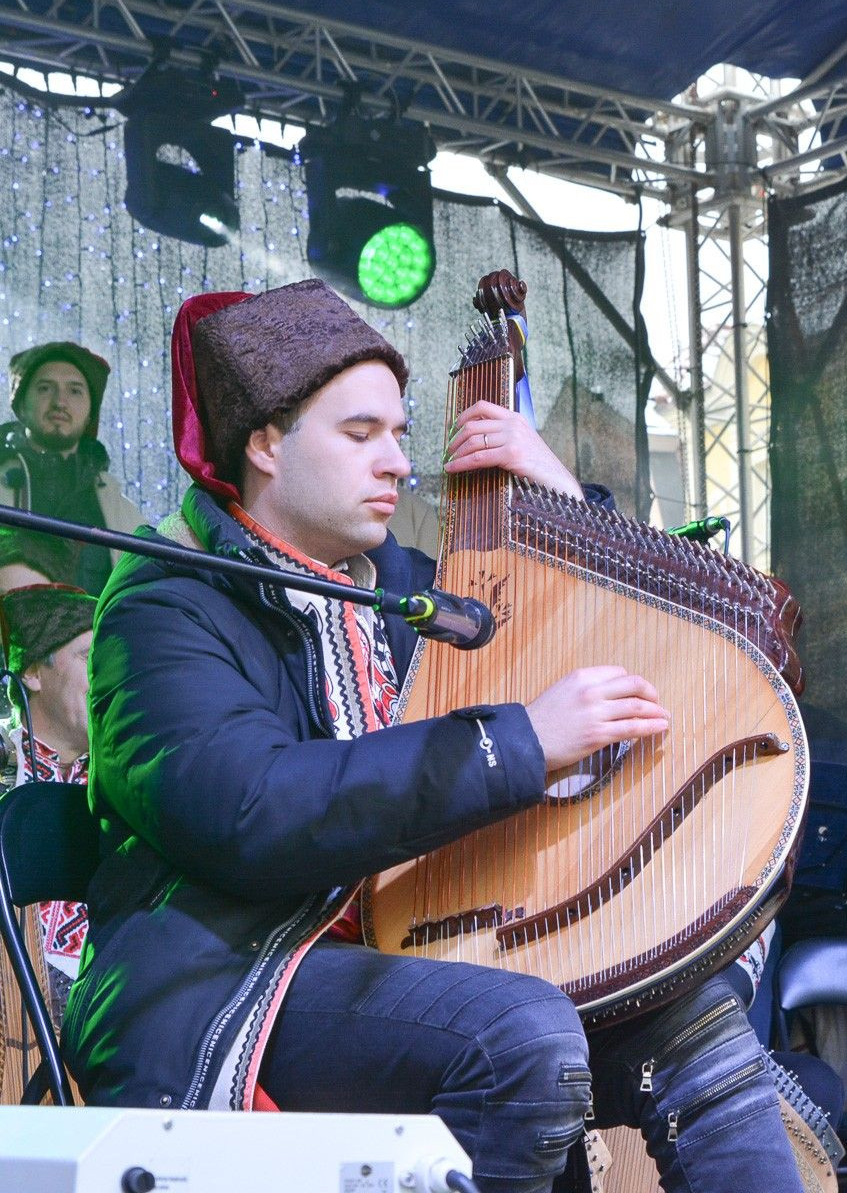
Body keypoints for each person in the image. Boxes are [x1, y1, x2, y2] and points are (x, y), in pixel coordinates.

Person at [63, 280, 804, 1193]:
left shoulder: (402, 587)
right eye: (360, 433)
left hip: (429, 949)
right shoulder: (164, 603)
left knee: (697, 1024)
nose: (399, 464)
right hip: (239, 981)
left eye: (403, 435)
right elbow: (246, 810)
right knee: (518, 1033)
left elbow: (572, 634)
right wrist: (517, 741)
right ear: (264, 443)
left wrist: (553, 493)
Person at [0, 583, 95, 1104]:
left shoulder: (126, 784)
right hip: (14, 1027)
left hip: (107, 1019)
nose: (107, 671)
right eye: (87, 655)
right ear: (32, 672)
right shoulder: (3, 774)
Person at [0, 342, 143, 594]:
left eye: (75, 391)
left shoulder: (119, 508)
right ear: (20, 404)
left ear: (90, 413)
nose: (60, 402)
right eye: (45, 388)